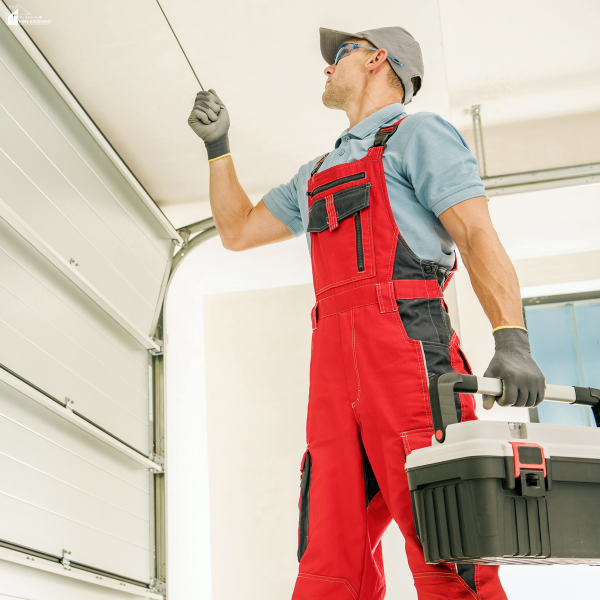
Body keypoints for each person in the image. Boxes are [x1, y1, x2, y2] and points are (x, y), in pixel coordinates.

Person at [188, 26, 545, 600]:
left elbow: (476, 233)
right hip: (332, 370)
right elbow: (236, 231)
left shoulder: (420, 134)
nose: (327, 66)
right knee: (329, 563)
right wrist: (218, 148)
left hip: (406, 350)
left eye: (340, 54)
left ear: (379, 59)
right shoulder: (317, 170)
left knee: (449, 545)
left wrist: (512, 337)